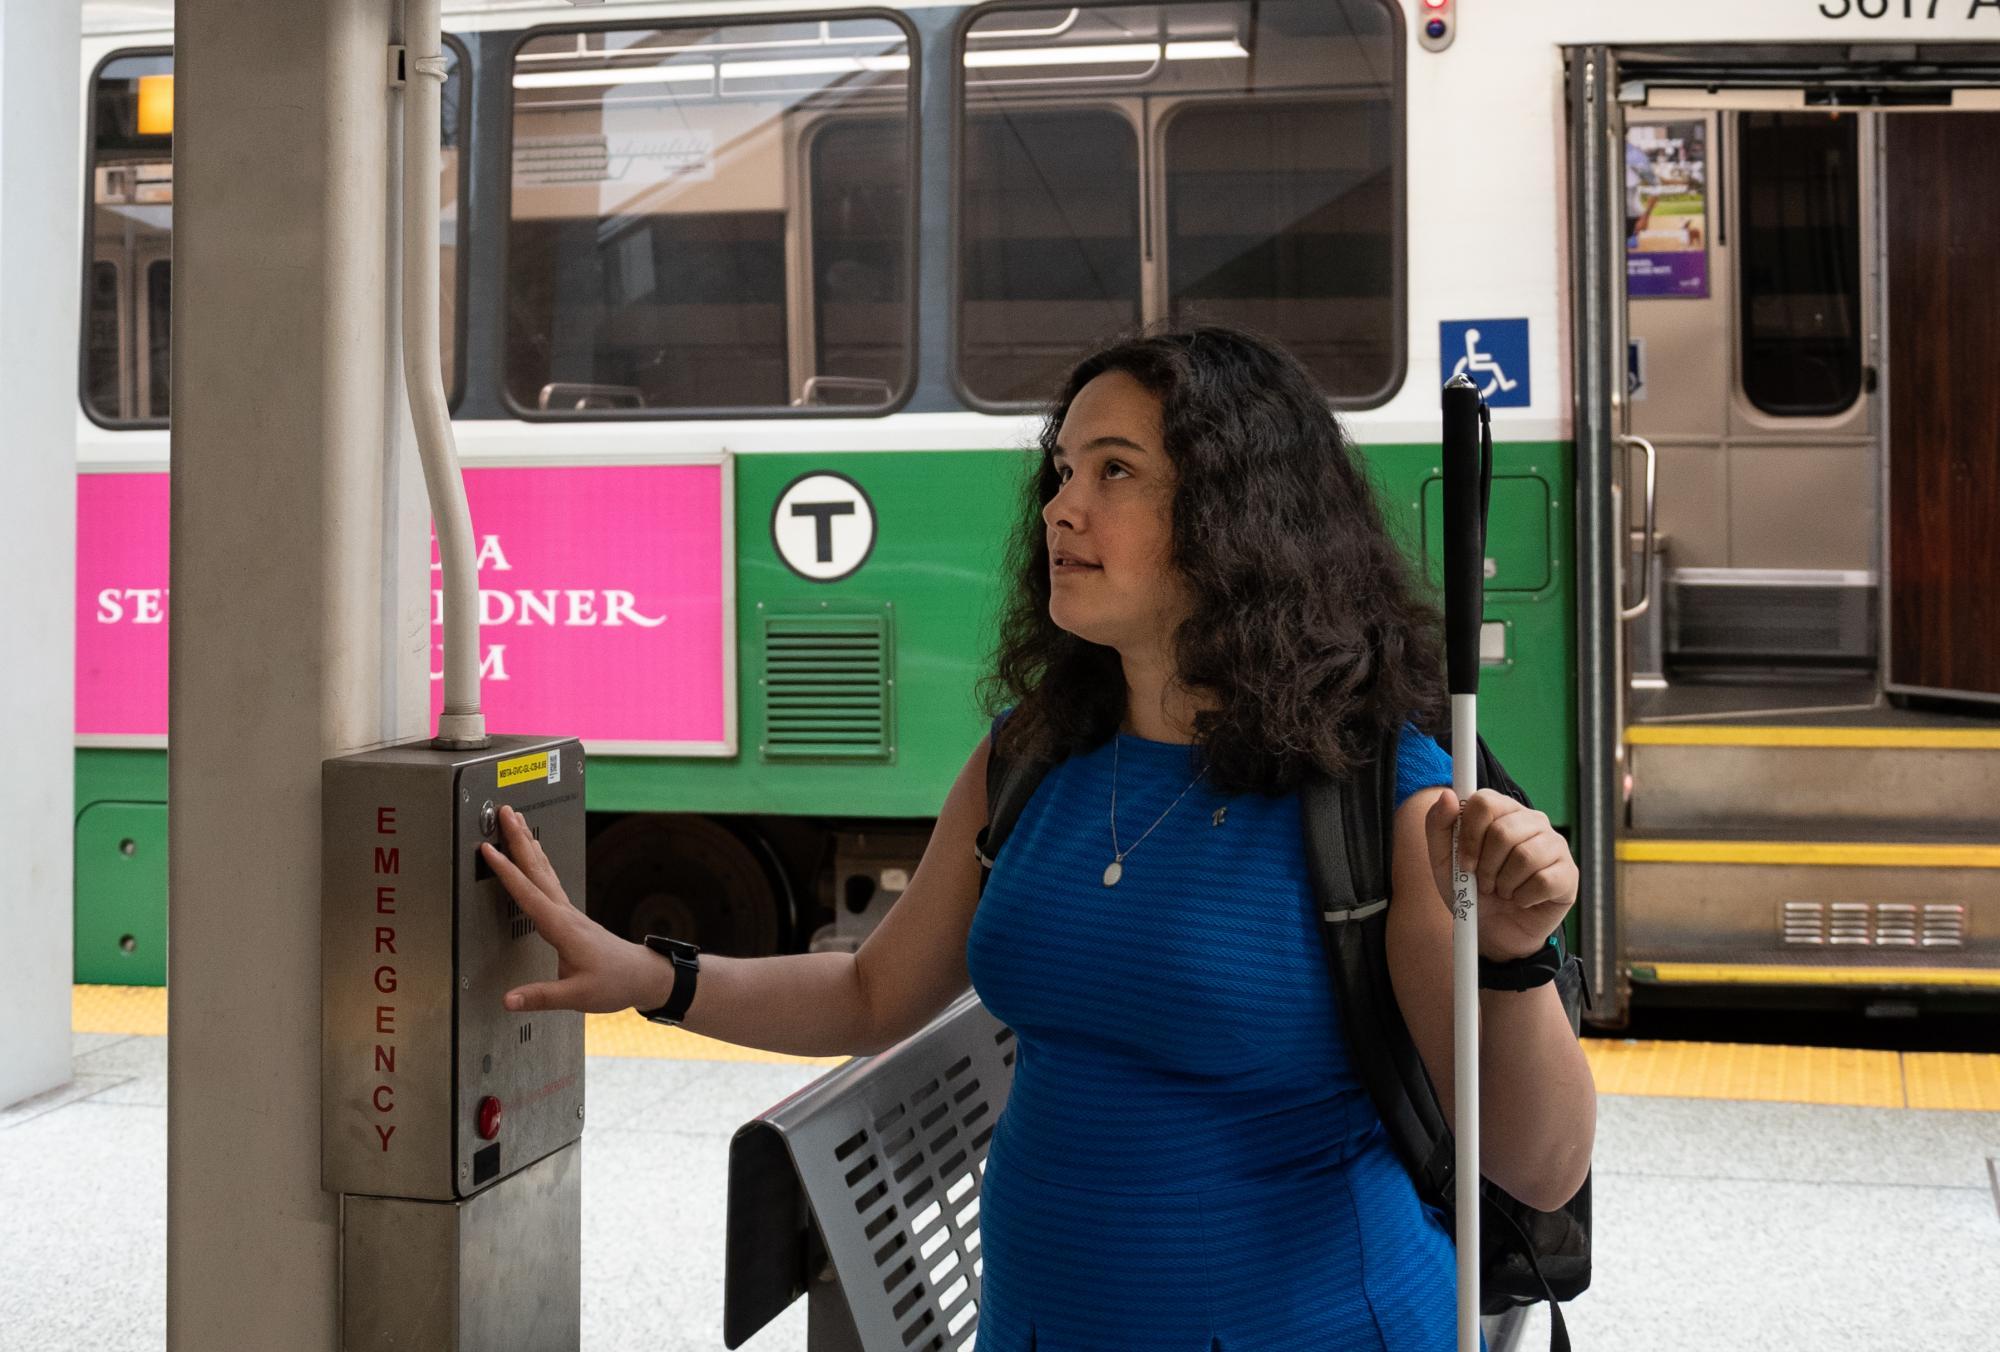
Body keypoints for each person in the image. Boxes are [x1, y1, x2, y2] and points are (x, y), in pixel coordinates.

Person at [483, 325, 1597, 1351]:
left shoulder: (1378, 795)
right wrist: (647, 974)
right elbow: (871, 994)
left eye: (1115, 470)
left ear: (1239, 511)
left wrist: (1509, 956)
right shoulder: (1034, 753)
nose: (1062, 506)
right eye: (1062, 470)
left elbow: (1538, 1164)